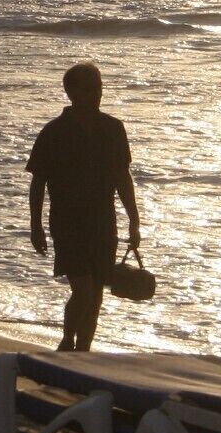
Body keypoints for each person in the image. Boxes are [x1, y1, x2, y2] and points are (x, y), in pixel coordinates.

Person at [28, 62, 142, 353]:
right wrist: (36, 226)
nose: (96, 94)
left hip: (103, 221)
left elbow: (122, 177)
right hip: (67, 221)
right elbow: (38, 182)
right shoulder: (54, 132)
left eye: (99, 88)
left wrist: (134, 219)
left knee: (96, 295)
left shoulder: (113, 129)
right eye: (89, 89)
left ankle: (83, 350)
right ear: (71, 92)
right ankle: (68, 340)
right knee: (83, 289)